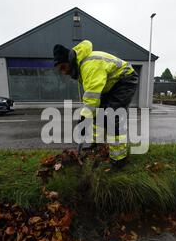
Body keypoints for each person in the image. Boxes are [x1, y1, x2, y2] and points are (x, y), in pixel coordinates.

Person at [53, 40, 139, 168]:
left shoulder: (89, 66)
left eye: (63, 67)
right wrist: (87, 115)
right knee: (97, 114)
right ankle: (96, 145)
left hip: (124, 80)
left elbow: (91, 96)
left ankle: (119, 159)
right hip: (110, 84)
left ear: (70, 61)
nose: (64, 72)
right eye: (60, 70)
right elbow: (92, 99)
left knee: (112, 116)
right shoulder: (81, 66)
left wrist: (83, 116)